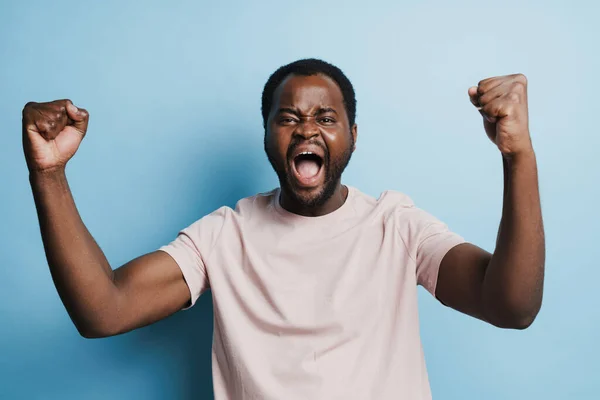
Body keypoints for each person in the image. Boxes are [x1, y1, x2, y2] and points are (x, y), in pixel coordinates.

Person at [22, 58, 545, 399]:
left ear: (353, 137)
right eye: (288, 117)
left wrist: (517, 155)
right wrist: (48, 174)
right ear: (269, 136)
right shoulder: (224, 236)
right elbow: (103, 310)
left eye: (326, 117)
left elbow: (511, 306)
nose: (307, 129)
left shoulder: (398, 226)